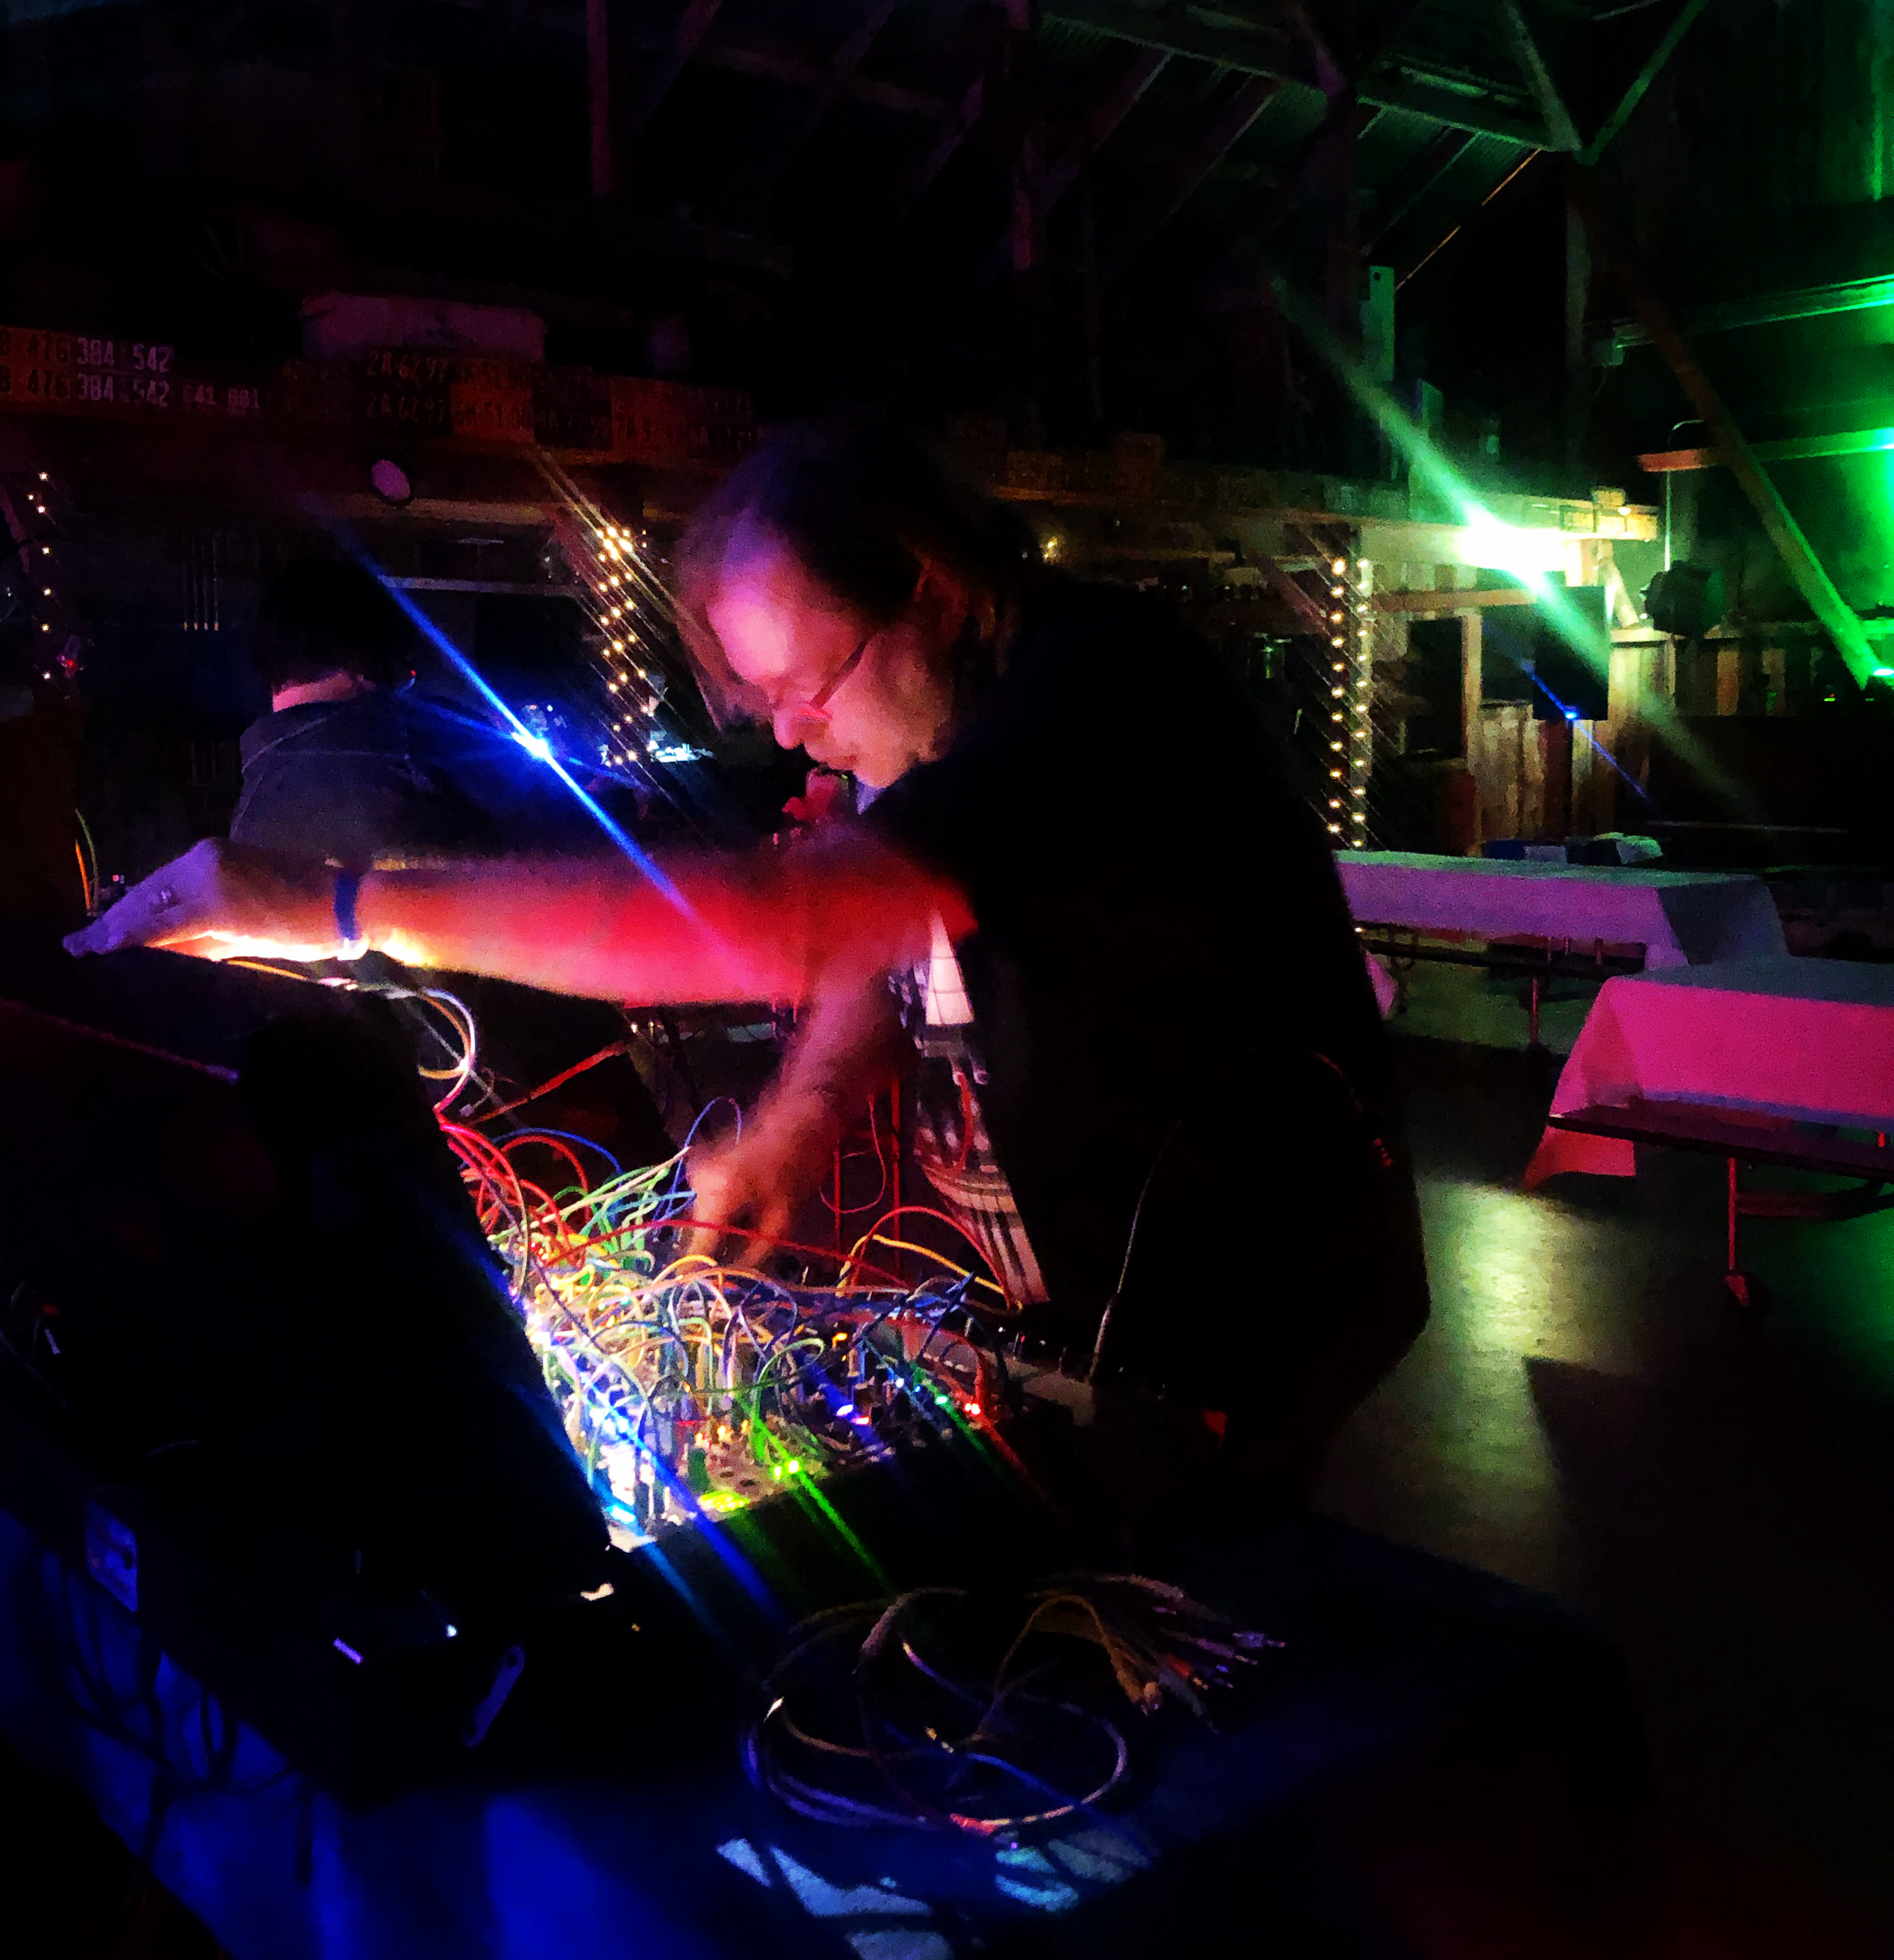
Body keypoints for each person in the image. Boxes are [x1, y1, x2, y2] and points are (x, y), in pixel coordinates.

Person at [70, 426, 1427, 1497]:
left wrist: (344, 901)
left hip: (1256, 1303)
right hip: (1094, 1311)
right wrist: (800, 1118)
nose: (791, 736)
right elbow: (891, 932)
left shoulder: (1097, 688)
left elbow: (797, 919)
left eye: (808, 687)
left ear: (928, 586)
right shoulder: (947, 718)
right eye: (766, 701)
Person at [230, 557, 671, 1170]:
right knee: (679, 1216)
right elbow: (585, 841)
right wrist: (617, 804)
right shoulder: (427, 735)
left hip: (374, 1145)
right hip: (540, 1114)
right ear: (370, 659)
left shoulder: (249, 806)